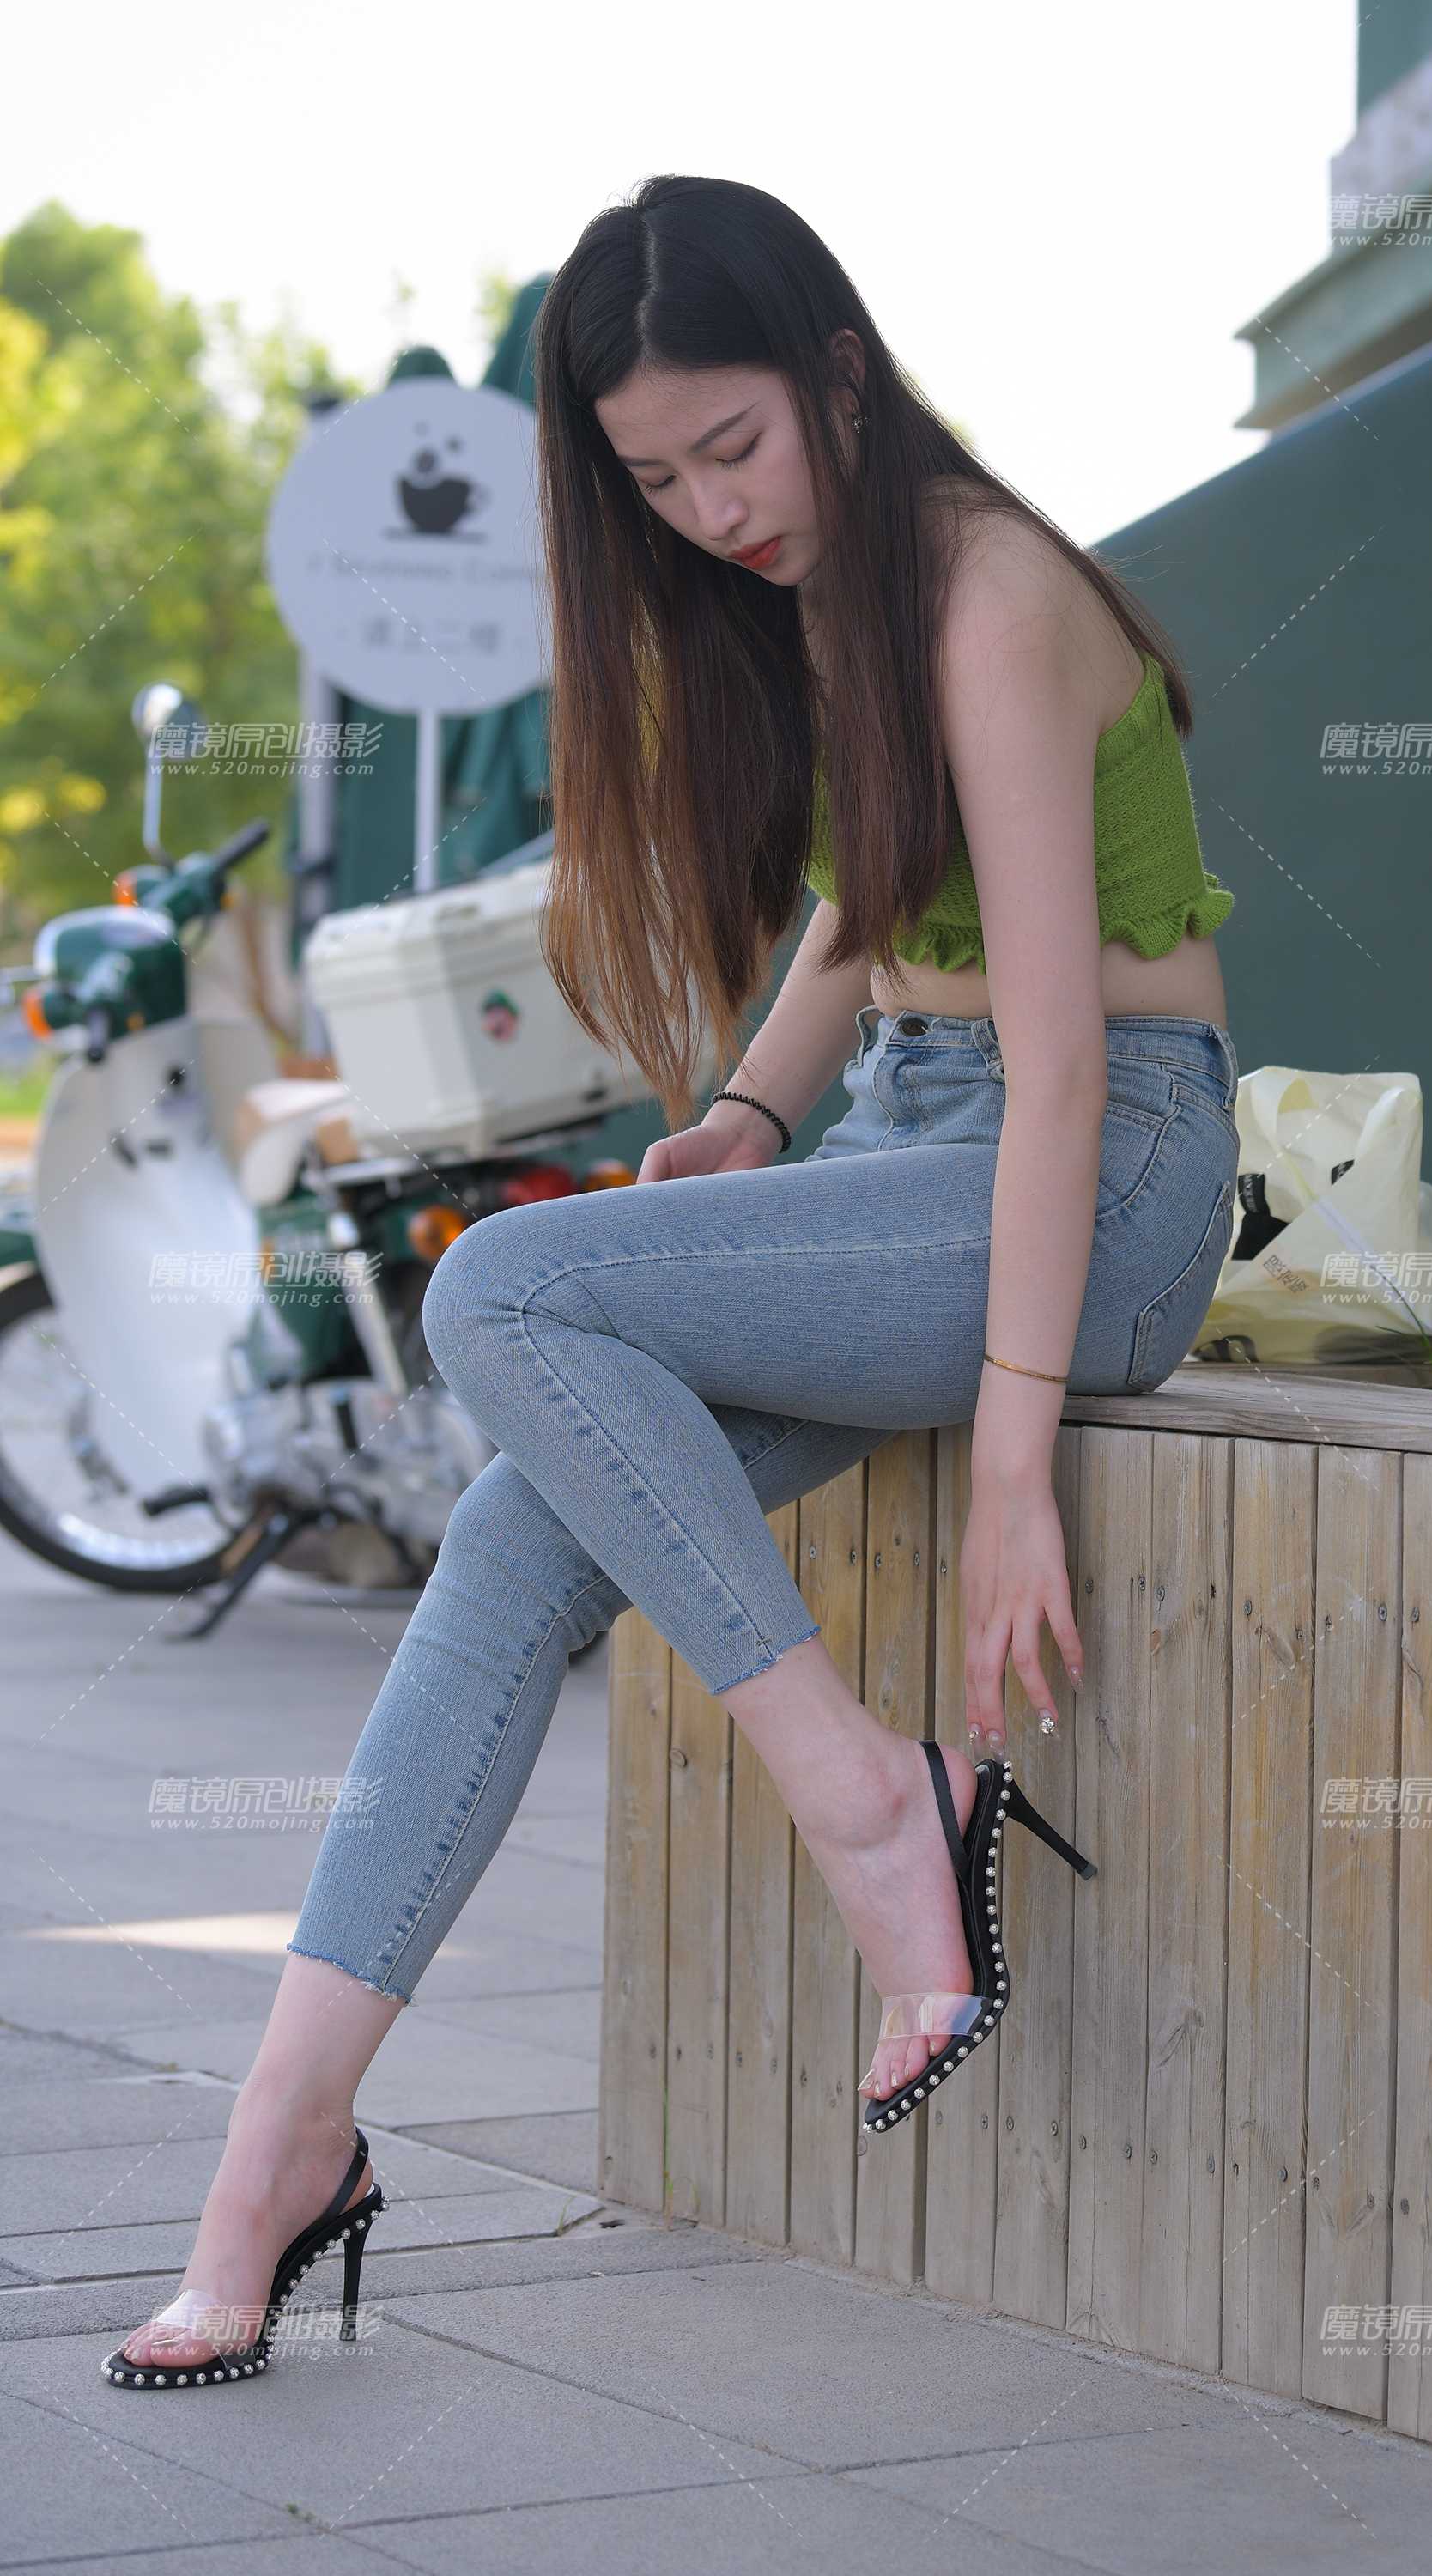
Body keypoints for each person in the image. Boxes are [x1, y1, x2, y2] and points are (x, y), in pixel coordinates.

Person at [106, 173, 1240, 2383]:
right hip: (914, 1149)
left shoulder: (993, 593)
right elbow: (863, 908)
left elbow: (1061, 1062)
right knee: (511, 1536)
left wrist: (1015, 1467)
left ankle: (868, 1797)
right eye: (654, 481)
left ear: (839, 373)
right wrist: (745, 1113)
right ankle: (284, 2144)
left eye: (733, 445)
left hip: (1096, 1180)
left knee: (498, 1295)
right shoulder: (825, 601)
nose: (710, 511)